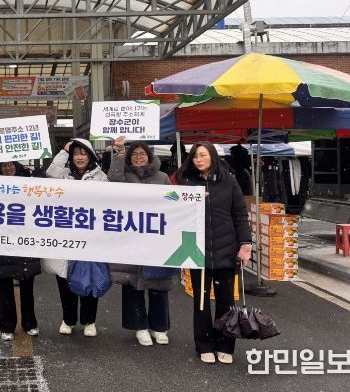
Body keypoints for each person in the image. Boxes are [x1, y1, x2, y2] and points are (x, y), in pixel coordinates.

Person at [174, 142, 252, 365]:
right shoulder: (186, 182)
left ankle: (225, 345)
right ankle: (204, 344)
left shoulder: (229, 181)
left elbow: (240, 214)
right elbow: (173, 210)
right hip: (196, 250)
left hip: (226, 250)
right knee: (201, 302)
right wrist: (189, 201)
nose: (198, 160)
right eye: (195, 156)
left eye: (203, 155)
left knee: (226, 302)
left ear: (213, 156)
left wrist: (245, 244)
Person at [107, 138, 174, 347]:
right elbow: (112, 179)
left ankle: (160, 327)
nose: (138, 157)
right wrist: (119, 152)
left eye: (142, 154)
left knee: (159, 282)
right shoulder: (124, 176)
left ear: (149, 156)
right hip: (131, 236)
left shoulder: (162, 177)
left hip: (156, 237)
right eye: (134, 154)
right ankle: (140, 327)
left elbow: (174, 203)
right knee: (132, 282)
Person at [44, 138, 108, 337]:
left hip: (90, 236)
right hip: (65, 235)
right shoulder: (63, 174)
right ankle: (68, 319)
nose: (80, 157)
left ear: (90, 156)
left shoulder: (100, 177)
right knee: (65, 280)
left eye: (84, 153)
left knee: (90, 278)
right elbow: (50, 172)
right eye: (76, 153)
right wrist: (64, 151)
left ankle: (90, 321)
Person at [0, 154, 41, 342]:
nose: (9, 168)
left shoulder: (28, 179)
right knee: (4, 283)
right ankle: (6, 326)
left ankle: (29, 323)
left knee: (27, 283)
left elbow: (46, 185)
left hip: (25, 236)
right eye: (4, 165)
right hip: (2, 238)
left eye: (11, 164)